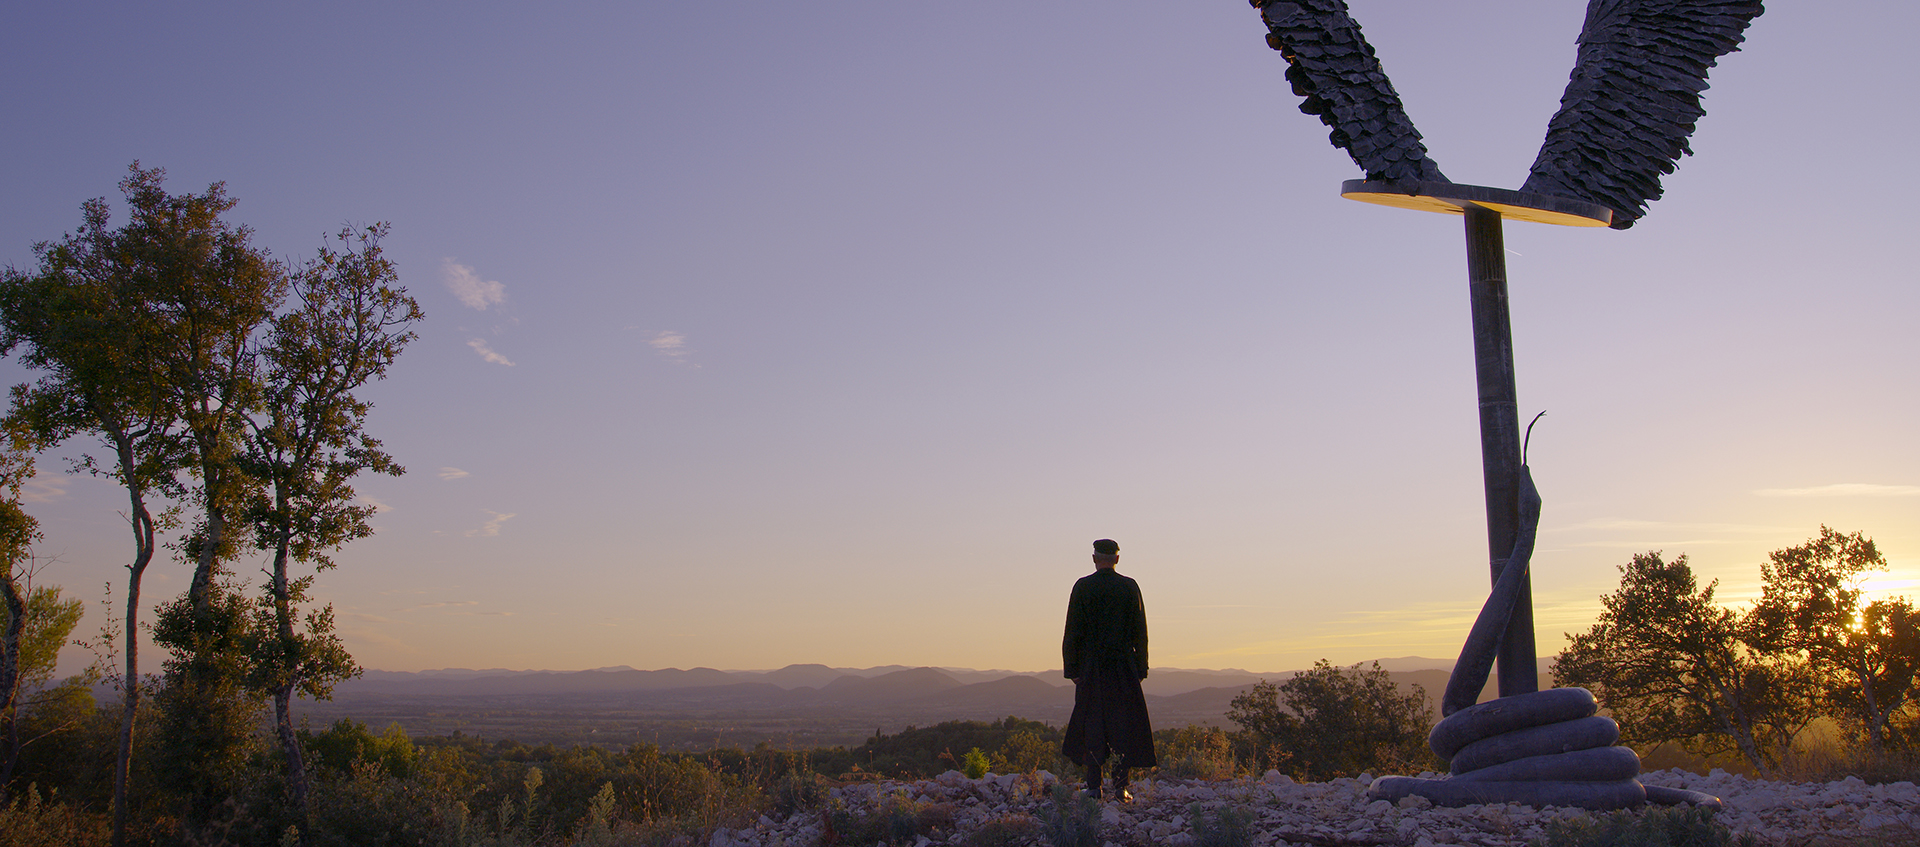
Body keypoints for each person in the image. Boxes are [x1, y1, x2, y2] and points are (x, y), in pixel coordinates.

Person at [1061, 538, 1156, 801]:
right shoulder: (1129, 587)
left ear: (1094, 558)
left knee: (1093, 723)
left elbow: (1073, 630)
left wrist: (1072, 669)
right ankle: (1120, 787)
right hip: (1123, 666)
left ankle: (1093, 787)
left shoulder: (1083, 587)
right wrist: (1141, 667)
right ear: (1116, 559)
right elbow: (1140, 631)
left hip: (1091, 667)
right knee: (1122, 724)